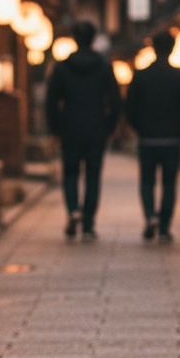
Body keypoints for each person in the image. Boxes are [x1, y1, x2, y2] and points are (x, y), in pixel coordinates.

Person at [45, 21, 122, 240]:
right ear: (93, 39)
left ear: (74, 39)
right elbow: (115, 101)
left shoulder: (61, 67)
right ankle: (88, 225)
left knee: (70, 172)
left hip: (69, 126)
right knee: (92, 175)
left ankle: (73, 211)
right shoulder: (104, 66)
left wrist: (55, 129)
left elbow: (52, 101)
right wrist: (110, 126)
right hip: (97, 127)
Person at [124, 32, 180, 242]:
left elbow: (130, 107)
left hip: (147, 137)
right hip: (172, 138)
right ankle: (164, 228)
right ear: (172, 48)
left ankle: (150, 217)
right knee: (169, 183)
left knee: (147, 181)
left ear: (153, 49)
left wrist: (138, 127)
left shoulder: (140, 75)